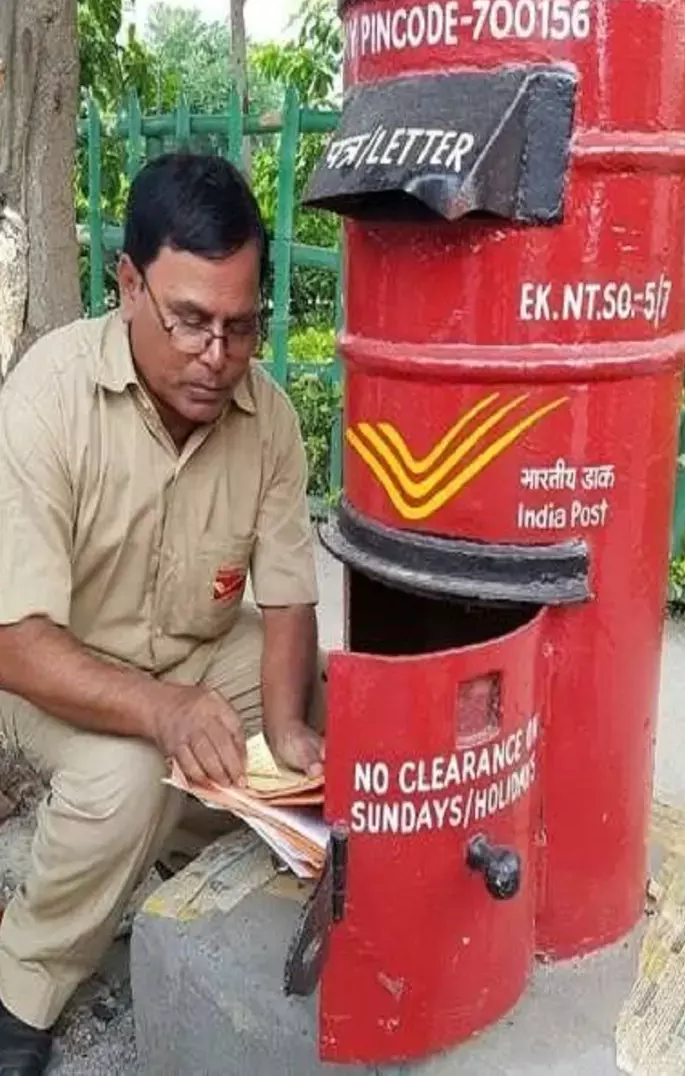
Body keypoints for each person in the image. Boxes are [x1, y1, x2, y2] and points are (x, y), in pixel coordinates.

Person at [0, 152, 324, 1074]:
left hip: (192, 657)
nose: (216, 357)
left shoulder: (268, 419)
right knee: (129, 774)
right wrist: (159, 708)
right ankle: (22, 986)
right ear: (129, 285)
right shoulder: (47, 397)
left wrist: (288, 730)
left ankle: (169, 846)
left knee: (316, 702)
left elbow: (287, 597)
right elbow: (13, 644)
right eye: (189, 321)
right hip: (48, 676)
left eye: (240, 327)